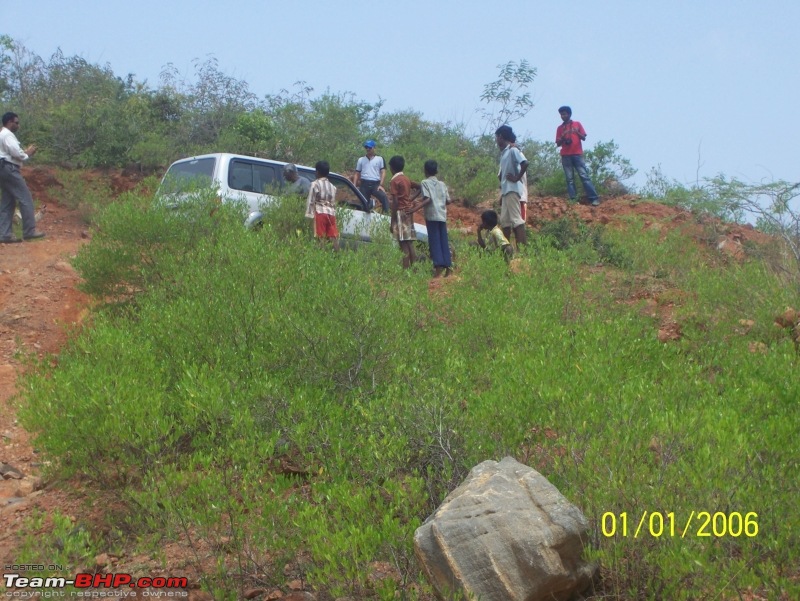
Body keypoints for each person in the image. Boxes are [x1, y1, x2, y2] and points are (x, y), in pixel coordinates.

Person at [0, 112, 45, 242]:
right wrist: (27, 154)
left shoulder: (2, 134)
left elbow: (12, 152)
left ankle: (4, 234)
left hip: (3, 168)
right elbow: (16, 153)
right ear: (9, 122)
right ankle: (29, 231)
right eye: (16, 122)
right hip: (8, 168)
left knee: (7, 202)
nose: (18, 125)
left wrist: (22, 153)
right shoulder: (7, 135)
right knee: (25, 197)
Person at [408, 160, 452, 278]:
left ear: (425, 170)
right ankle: (448, 268)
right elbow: (448, 201)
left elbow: (427, 199)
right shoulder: (442, 184)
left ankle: (438, 269)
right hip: (442, 215)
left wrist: (413, 209)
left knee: (434, 242)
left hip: (432, 215)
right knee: (443, 241)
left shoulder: (424, 182)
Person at [556, 105, 600, 207]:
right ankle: (573, 200)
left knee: (584, 176)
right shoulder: (560, 128)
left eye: (564, 114)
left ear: (569, 114)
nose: (563, 116)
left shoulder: (577, 124)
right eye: (561, 114)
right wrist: (562, 138)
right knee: (569, 179)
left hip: (577, 154)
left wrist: (576, 132)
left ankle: (594, 198)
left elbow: (583, 137)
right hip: (566, 155)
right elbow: (558, 144)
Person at [495, 125, 528, 248]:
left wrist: (516, 178)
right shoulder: (504, 153)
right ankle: (506, 250)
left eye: (497, 137)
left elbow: (525, 163)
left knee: (516, 220)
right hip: (506, 191)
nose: (496, 141)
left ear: (501, 137)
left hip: (512, 190)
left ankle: (523, 250)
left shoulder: (513, 150)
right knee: (505, 222)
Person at [388, 155, 417, 269]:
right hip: (408, 212)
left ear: (392, 168)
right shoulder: (406, 179)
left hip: (400, 213)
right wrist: (410, 199)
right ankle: (414, 269)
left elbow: (395, 202)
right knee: (409, 242)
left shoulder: (394, 181)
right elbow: (419, 187)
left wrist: (392, 220)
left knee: (402, 243)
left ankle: (405, 270)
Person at [304, 160, 339, 251]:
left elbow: (311, 201)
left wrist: (309, 215)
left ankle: (321, 255)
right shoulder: (333, 187)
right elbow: (333, 202)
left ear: (317, 172)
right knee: (333, 236)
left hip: (320, 212)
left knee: (320, 237)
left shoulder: (315, 184)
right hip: (331, 213)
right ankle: (338, 257)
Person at [354, 140, 389, 213]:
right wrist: (354, 185)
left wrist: (381, 185)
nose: (368, 149)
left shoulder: (380, 159)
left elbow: (383, 172)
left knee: (383, 197)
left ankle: (386, 216)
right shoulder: (361, 160)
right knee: (363, 203)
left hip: (375, 184)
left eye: (369, 147)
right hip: (364, 184)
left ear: (374, 148)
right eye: (366, 147)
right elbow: (357, 173)